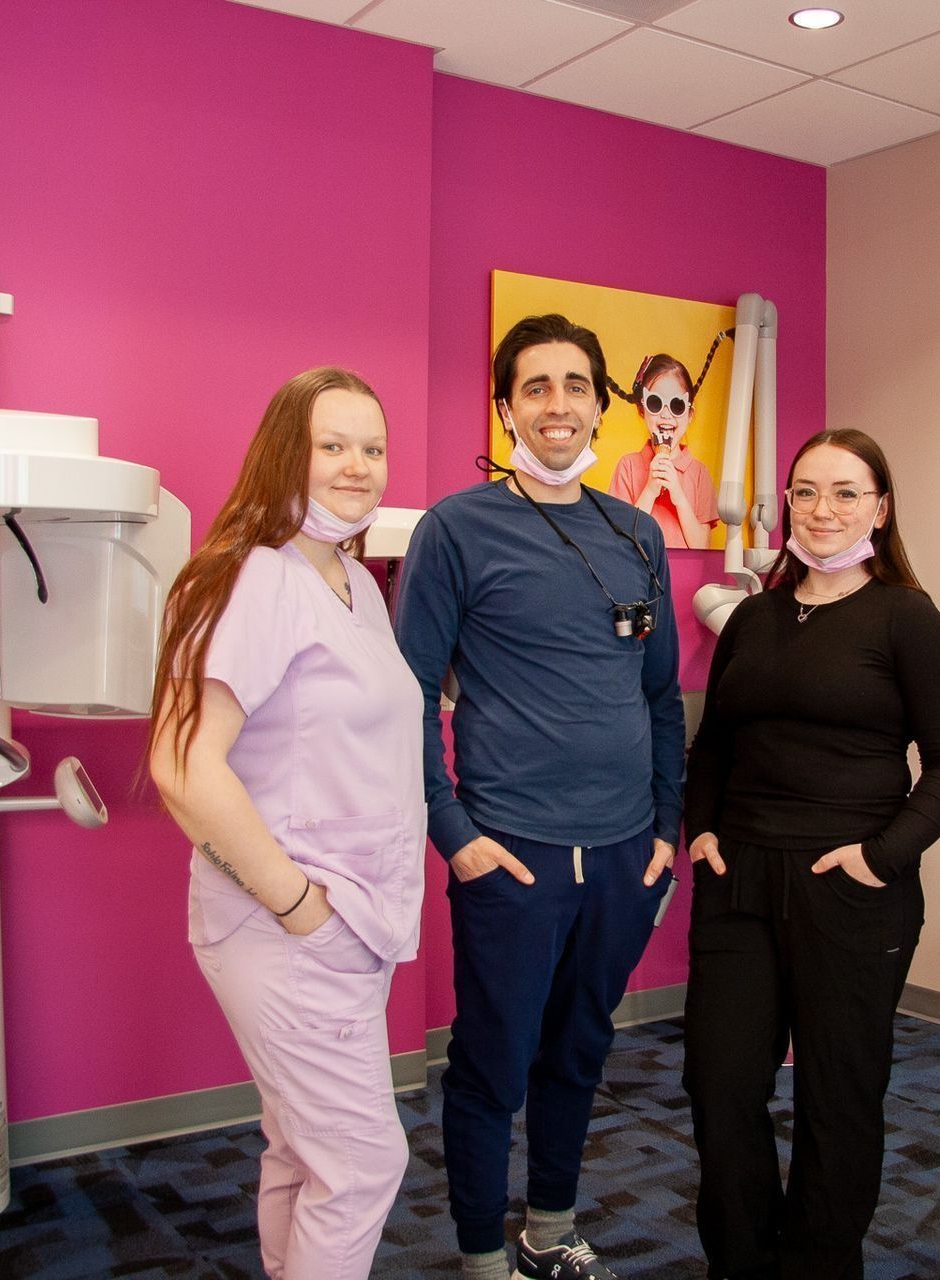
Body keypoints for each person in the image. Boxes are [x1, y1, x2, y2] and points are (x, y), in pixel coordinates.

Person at [394, 313, 683, 1280]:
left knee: (579, 1054)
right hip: (511, 855)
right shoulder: (457, 528)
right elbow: (406, 701)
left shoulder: (636, 531)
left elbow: (661, 698)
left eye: (575, 384)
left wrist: (666, 831)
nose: (557, 405)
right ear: (507, 406)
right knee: (491, 1065)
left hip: (621, 856)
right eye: (535, 387)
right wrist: (456, 836)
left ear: (602, 401)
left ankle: (550, 1232)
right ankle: (482, 1258)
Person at [146, 367, 424, 1279]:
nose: (358, 466)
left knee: (304, 1148)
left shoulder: (349, 578)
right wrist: (300, 903)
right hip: (295, 920)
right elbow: (183, 764)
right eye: (332, 445)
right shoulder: (254, 576)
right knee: (361, 1161)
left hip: (350, 920)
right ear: (282, 455)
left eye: (373, 448)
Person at [682, 428, 940, 1279]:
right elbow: (716, 743)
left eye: (847, 492)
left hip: (849, 890)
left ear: (880, 509)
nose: (823, 510)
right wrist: (701, 827)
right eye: (807, 491)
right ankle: (741, 1260)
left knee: (837, 1097)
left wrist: (881, 857)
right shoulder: (755, 617)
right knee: (720, 1085)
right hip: (738, 881)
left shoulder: (908, 621)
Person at [608, 350, 720, 549]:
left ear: (689, 414)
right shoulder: (628, 466)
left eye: (677, 405)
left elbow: (702, 547)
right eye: (655, 403)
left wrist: (678, 496)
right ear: (642, 410)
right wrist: (650, 490)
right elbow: (621, 543)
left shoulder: (699, 473)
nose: (666, 415)